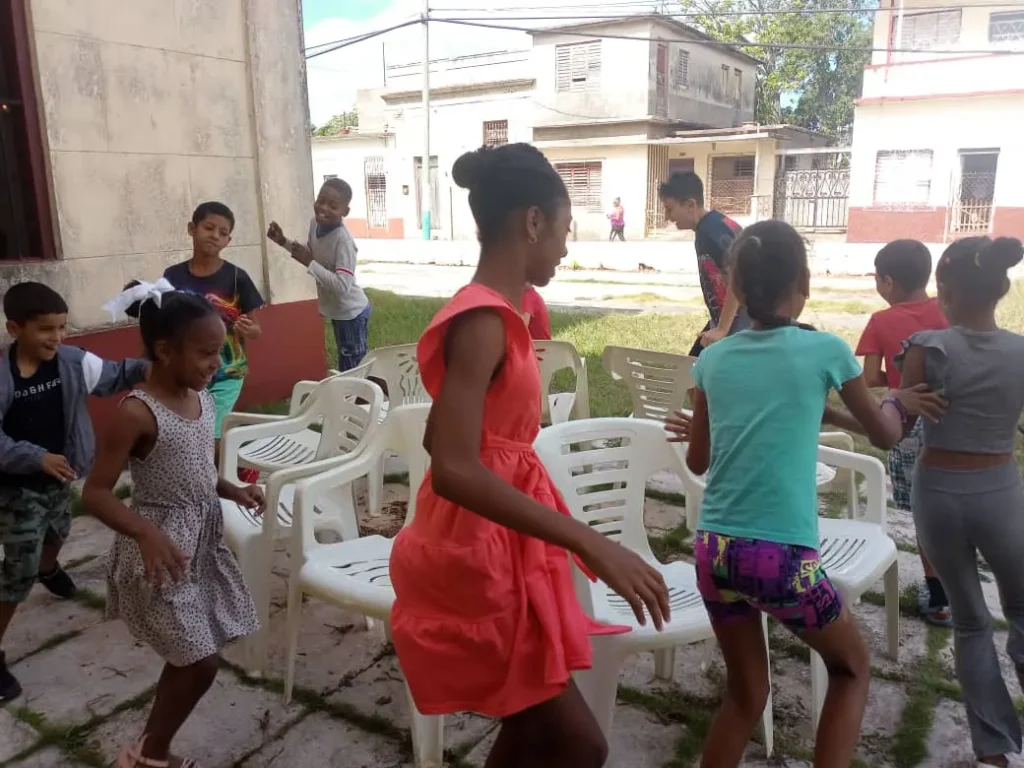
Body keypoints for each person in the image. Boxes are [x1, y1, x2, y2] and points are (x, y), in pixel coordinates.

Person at [388, 143, 671, 768]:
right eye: (564, 230)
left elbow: (443, 434)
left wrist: (508, 458)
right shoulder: (483, 319)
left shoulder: (509, 312)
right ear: (533, 222)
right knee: (580, 745)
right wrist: (590, 541)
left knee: (531, 730)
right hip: (481, 554)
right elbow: (453, 466)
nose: (566, 249)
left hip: (505, 542)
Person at [668, 220, 945, 767]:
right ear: (806, 283)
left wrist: (705, 423)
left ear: (738, 291)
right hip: (782, 561)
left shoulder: (714, 359)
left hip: (714, 551)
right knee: (851, 669)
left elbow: (699, 460)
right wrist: (901, 401)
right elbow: (885, 435)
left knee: (745, 695)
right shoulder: (826, 351)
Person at [83, 281, 262, 768]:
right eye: (207, 353)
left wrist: (232, 490)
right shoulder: (137, 413)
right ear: (164, 350)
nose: (216, 365)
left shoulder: (201, 399)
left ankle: (146, 751)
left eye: (219, 352)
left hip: (200, 543)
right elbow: (94, 492)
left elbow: (199, 467)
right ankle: (151, 754)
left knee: (190, 657)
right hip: (159, 554)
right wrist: (144, 532)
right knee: (199, 662)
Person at [900, 237, 1024, 768]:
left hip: (940, 495)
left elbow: (896, 423)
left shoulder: (924, 347)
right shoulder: (1021, 351)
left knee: (972, 622)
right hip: (1000, 492)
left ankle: (992, 752)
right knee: (1021, 612)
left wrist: (888, 398)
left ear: (944, 291)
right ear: (1001, 288)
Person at [0, 282, 149, 702]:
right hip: (16, 488)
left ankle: (50, 569)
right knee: (17, 572)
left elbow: (116, 374)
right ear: (15, 328)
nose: (58, 337)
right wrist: (35, 458)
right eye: (46, 329)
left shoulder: (70, 361)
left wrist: (155, 365)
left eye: (63, 327)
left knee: (60, 531)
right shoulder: (3, 379)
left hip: (59, 480)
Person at [855, 239, 951, 627]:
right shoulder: (949, 312)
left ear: (888, 281)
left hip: (908, 424)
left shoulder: (881, 321)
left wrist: (897, 379)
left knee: (924, 514)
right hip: (953, 421)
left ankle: (940, 598)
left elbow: (870, 377)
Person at [163, 202, 264, 459]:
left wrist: (250, 329)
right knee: (189, 429)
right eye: (209, 228)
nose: (215, 235)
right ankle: (197, 480)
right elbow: (166, 320)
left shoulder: (236, 277)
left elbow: (256, 329)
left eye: (222, 232)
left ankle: (218, 484)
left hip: (227, 370)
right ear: (191, 229)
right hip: (187, 370)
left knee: (212, 432)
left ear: (228, 240)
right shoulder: (172, 276)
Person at [266, 178, 371, 372]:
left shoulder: (343, 241)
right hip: (338, 311)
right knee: (351, 361)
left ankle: (360, 399)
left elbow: (342, 286)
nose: (323, 208)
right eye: (320, 201)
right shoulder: (315, 224)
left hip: (352, 312)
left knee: (353, 366)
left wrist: (309, 262)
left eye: (333, 206)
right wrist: (283, 241)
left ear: (345, 212)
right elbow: (311, 253)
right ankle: (370, 394)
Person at [658, 171, 749, 355]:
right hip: (731, 318)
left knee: (696, 374)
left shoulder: (711, 231)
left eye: (670, 209)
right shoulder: (714, 224)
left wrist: (723, 328)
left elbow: (740, 276)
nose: (667, 217)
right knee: (692, 368)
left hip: (741, 323)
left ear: (690, 205)